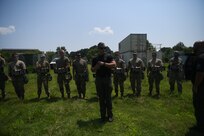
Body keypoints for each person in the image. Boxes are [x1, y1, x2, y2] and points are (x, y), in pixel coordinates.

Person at [91, 42, 116, 122]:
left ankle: (110, 115)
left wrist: (104, 64)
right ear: (98, 49)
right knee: (101, 98)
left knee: (108, 98)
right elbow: (92, 70)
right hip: (99, 79)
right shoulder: (95, 58)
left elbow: (114, 64)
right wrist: (96, 67)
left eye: (103, 48)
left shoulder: (108, 56)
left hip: (107, 79)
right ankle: (102, 116)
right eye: (100, 48)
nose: (102, 49)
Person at [190, 41, 204, 133]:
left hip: (201, 87)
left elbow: (200, 73)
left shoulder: (202, 58)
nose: (193, 48)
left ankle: (200, 126)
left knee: (199, 106)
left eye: (195, 46)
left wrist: (195, 86)